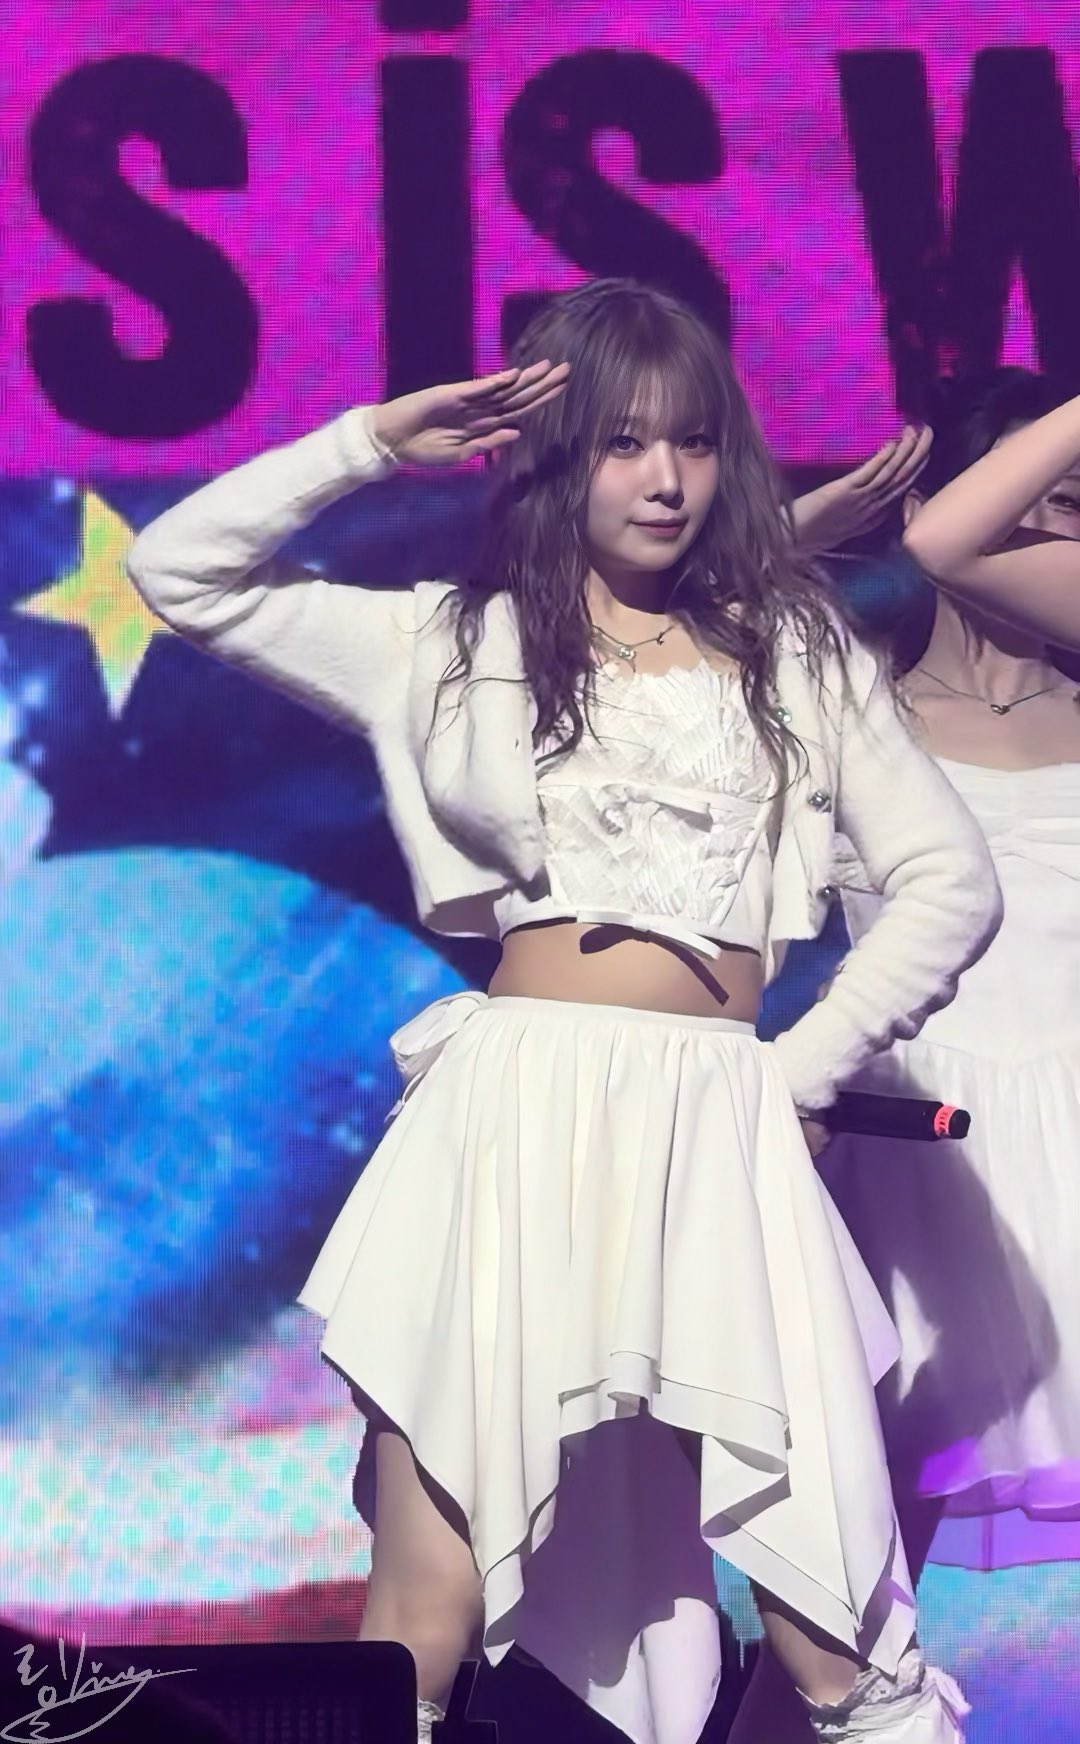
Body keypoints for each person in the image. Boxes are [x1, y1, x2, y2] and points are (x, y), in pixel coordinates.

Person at [127, 280, 996, 1744]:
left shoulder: (795, 652)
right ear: (555, 456)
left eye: (696, 442)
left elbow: (947, 879)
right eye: (623, 442)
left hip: (718, 1127)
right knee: (422, 1612)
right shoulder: (446, 642)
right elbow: (179, 569)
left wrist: (804, 1066)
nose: (666, 478)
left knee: (833, 1611)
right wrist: (369, 444)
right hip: (512, 1121)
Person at [818, 369, 1080, 1576]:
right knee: (856, 1549)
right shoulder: (846, 710)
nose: (1044, 521)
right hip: (917, 1144)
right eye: (1022, 492)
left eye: (1068, 500)